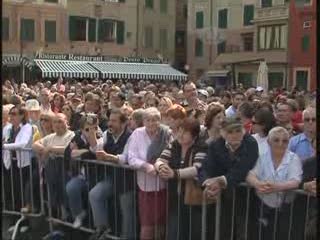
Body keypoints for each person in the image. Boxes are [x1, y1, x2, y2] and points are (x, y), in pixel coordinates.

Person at [199, 117, 259, 240]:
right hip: (221, 200)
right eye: (230, 132)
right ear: (223, 133)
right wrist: (207, 184)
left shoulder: (251, 143)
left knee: (244, 233)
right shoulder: (216, 145)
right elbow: (206, 167)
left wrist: (219, 181)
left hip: (246, 200)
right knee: (220, 232)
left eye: (238, 130)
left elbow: (242, 169)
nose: (235, 135)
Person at [155, 118, 210, 240]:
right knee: (174, 232)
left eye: (185, 132)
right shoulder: (174, 144)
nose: (180, 135)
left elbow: (197, 169)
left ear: (194, 135)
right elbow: (160, 160)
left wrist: (174, 173)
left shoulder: (201, 147)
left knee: (193, 233)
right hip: (175, 198)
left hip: (194, 200)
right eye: (179, 131)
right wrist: (162, 168)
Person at [246, 126, 302, 240]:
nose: (280, 144)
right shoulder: (262, 158)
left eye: (285, 141)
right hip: (262, 206)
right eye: (276, 140)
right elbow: (250, 175)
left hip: (285, 209)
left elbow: (295, 181)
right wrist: (258, 184)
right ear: (268, 142)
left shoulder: (293, 158)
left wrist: (276, 187)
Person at [128, 107, 171, 240]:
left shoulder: (166, 133)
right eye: (148, 120)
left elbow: (172, 154)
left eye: (155, 120)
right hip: (146, 188)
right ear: (144, 121)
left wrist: (163, 166)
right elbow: (131, 158)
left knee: (161, 225)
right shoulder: (137, 133)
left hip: (164, 186)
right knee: (147, 226)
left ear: (160, 120)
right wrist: (147, 166)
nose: (152, 123)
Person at [88, 109, 132, 240]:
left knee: (127, 211)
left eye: (114, 121)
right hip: (112, 178)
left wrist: (109, 157)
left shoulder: (131, 136)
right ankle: (103, 228)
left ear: (123, 123)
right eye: (109, 120)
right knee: (95, 194)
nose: (110, 124)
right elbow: (96, 148)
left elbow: (126, 157)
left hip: (128, 180)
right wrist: (91, 132)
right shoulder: (107, 134)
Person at [32, 113, 75, 219]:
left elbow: (68, 150)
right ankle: (58, 217)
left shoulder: (72, 135)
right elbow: (35, 144)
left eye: (60, 121)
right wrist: (44, 150)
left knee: (65, 192)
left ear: (67, 122)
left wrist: (50, 149)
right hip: (52, 168)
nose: (57, 124)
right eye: (55, 122)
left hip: (66, 169)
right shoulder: (51, 136)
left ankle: (69, 217)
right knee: (53, 192)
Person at [65, 113, 101, 229]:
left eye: (94, 127)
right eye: (87, 129)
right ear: (81, 129)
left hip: (96, 176)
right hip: (81, 175)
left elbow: (94, 154)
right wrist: (83, 152)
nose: (91, 131)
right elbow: (69, 153)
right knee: (71, 187)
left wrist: (81, 152)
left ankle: (97, 226)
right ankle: (78, 215)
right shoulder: (77, 137)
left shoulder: (100, 136)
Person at [3, 106, 34, 212]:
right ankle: (14, 216)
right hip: (9, 163)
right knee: (11, 191)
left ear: (22, 116)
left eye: (14, 114)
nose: (11, 116)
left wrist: (5, 146)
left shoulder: (27, 127)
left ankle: (24, 221)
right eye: (10, 113)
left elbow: (23, 144)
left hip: (23, 164)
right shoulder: (8, 128)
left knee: (21, 191)